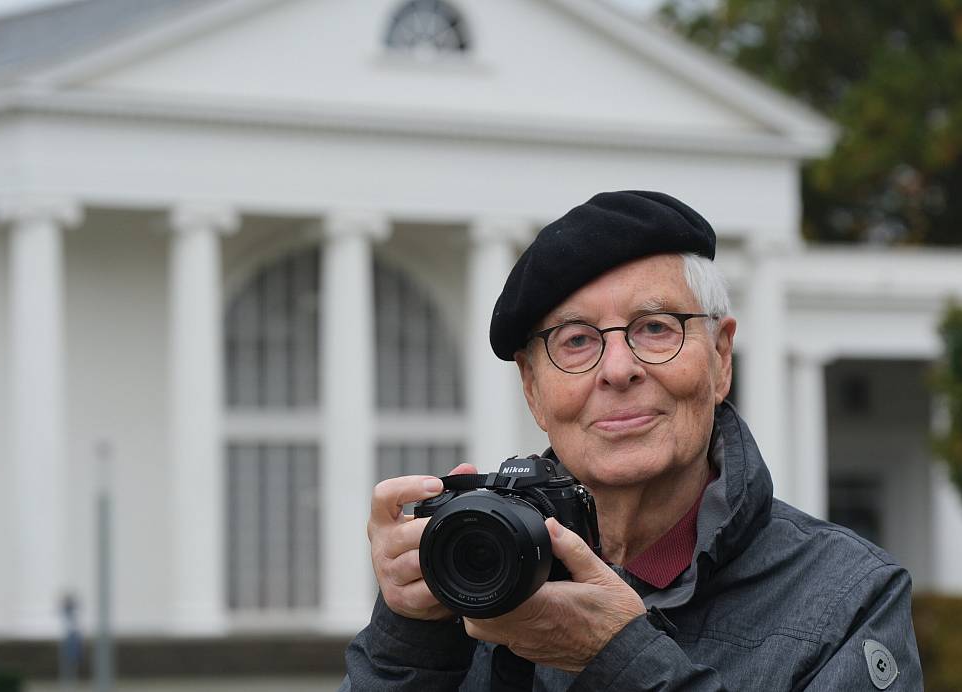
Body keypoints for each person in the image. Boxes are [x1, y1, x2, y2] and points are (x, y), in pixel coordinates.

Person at [341, 191, 922, 690]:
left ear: (721, 358)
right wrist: (410, 639)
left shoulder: (848, 597)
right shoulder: (473, 566)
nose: (618, 369)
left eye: (654, 328)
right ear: (533, 390)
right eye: (575, 341)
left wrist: (616, 658)